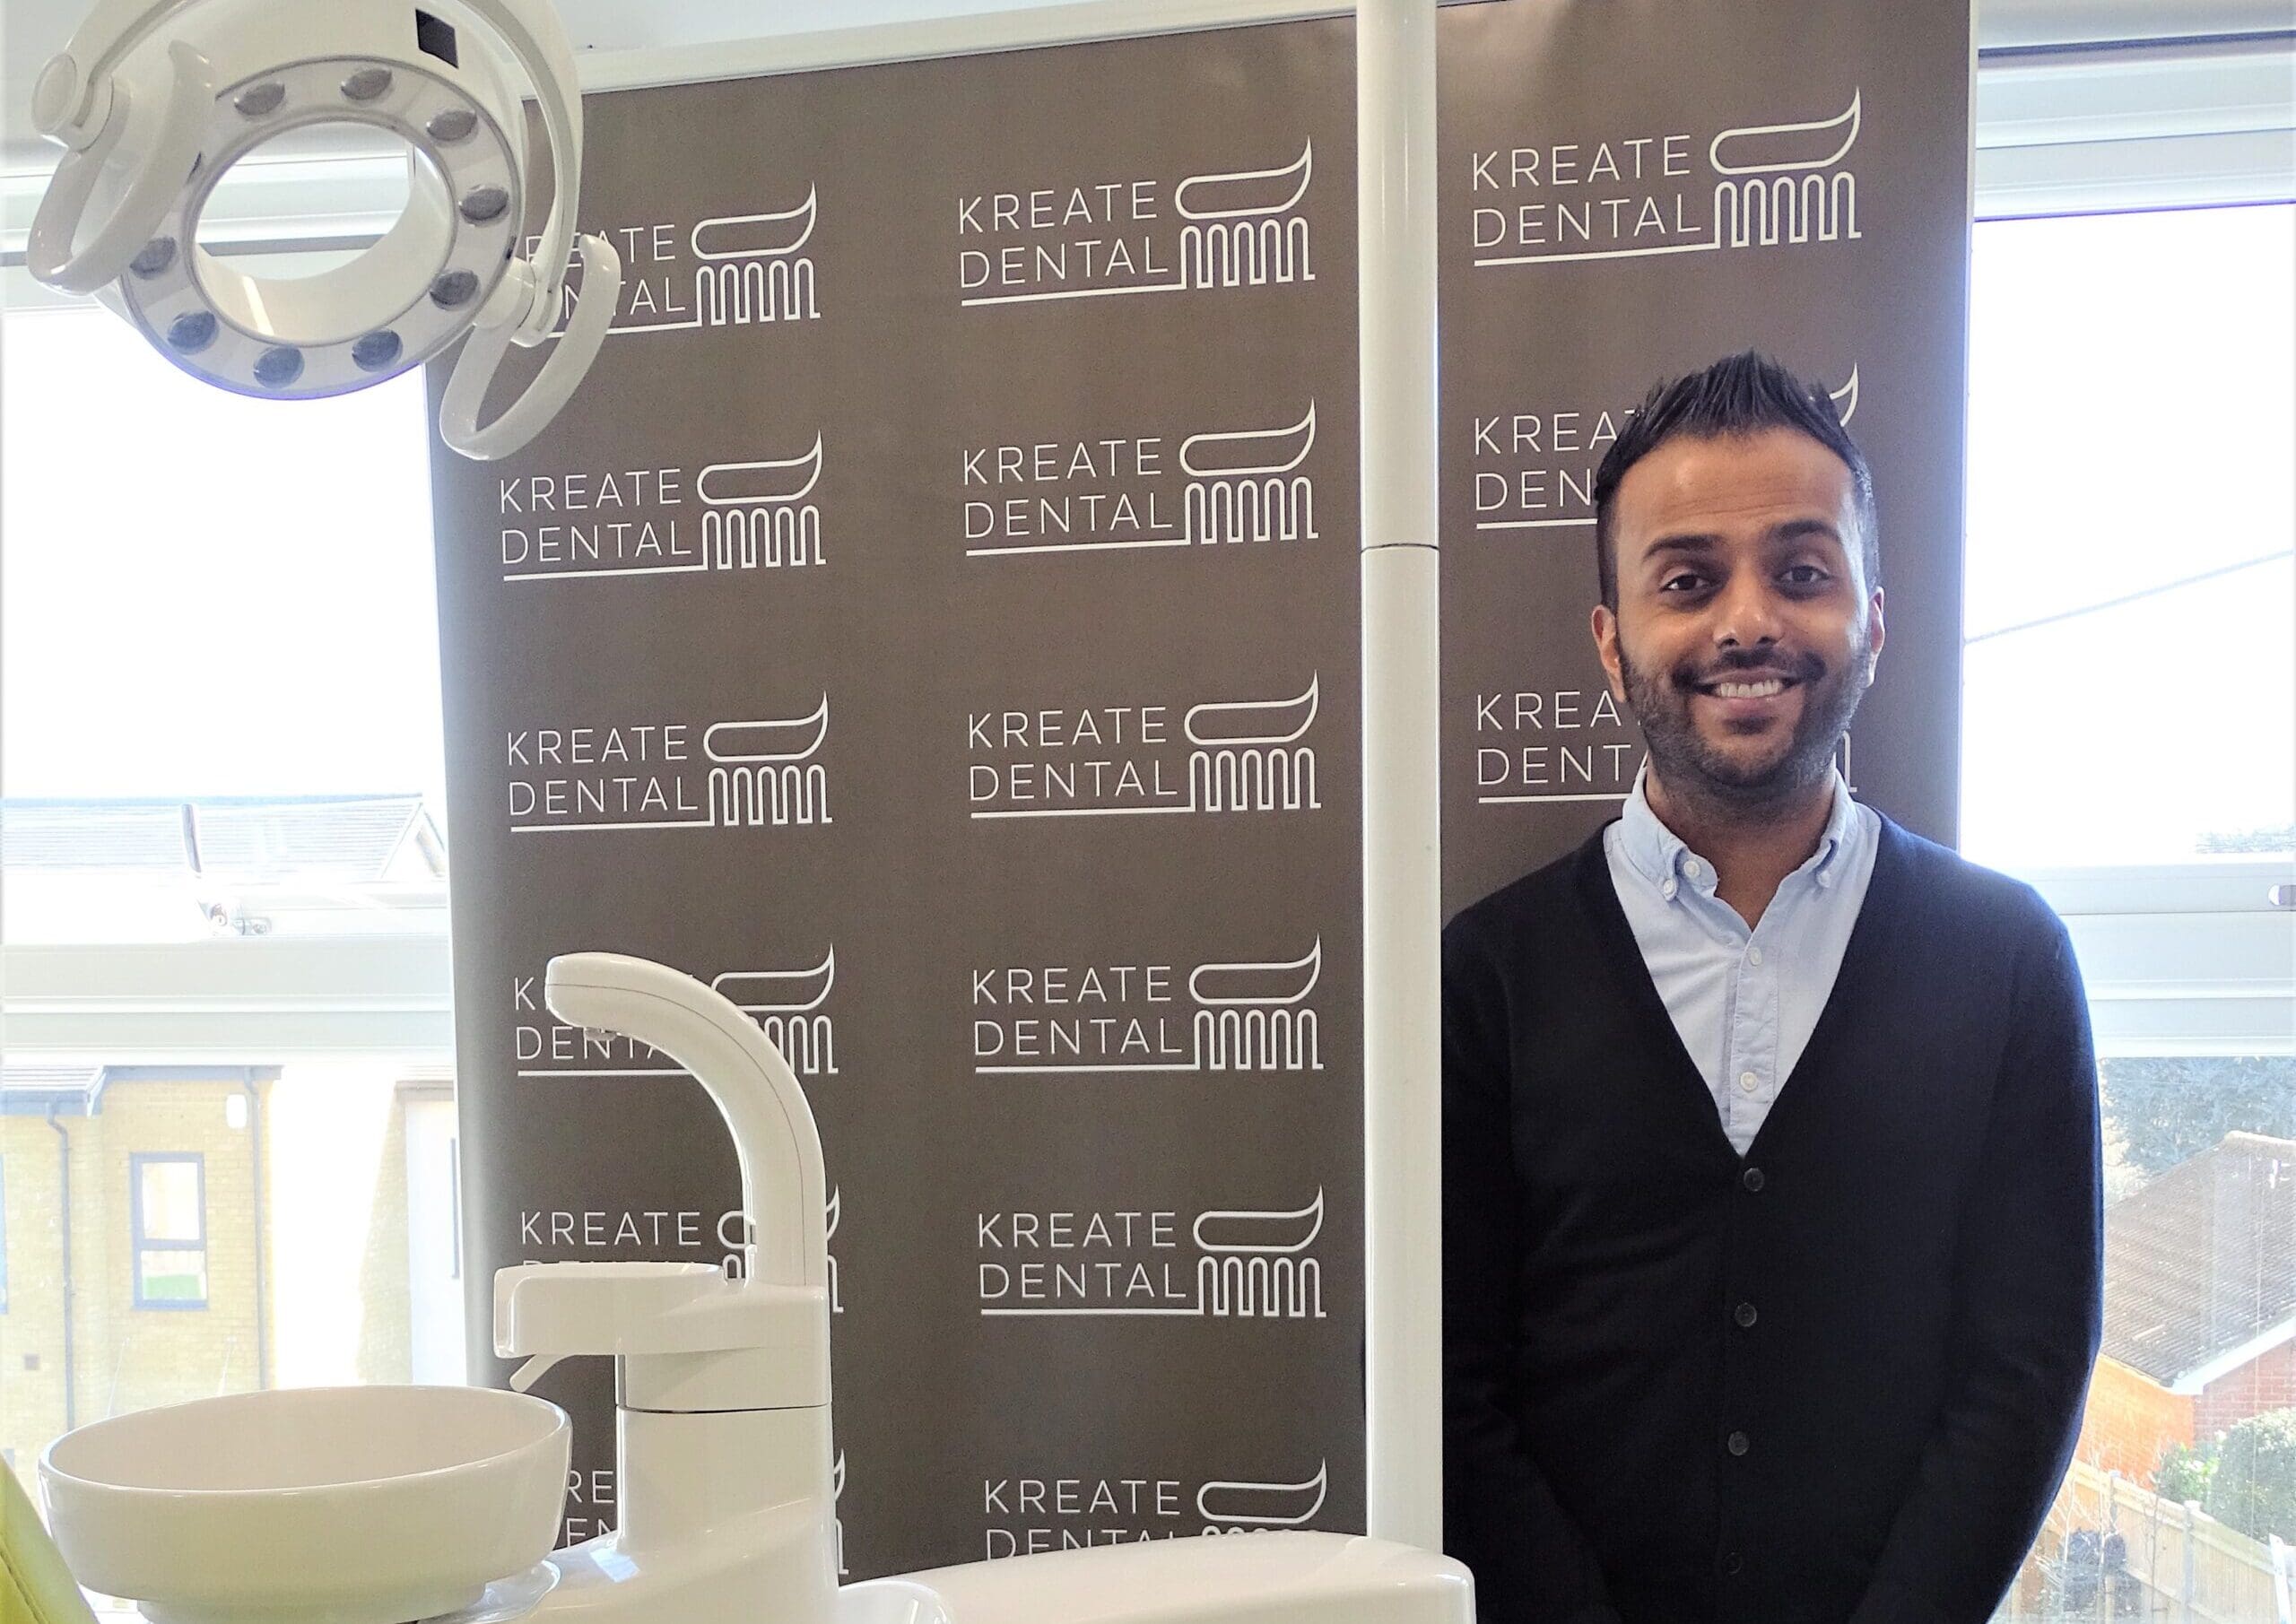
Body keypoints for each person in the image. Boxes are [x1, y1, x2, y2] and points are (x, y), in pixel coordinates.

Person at [1440, 352, 2102, 1624]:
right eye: (1687, 581)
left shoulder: (2009, 962)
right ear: (1612, 643)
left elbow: (2022, 1378)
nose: (1747, 623)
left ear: (1874, 619)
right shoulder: (1487, 979)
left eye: (1801, 573)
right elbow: (1452, 1391)